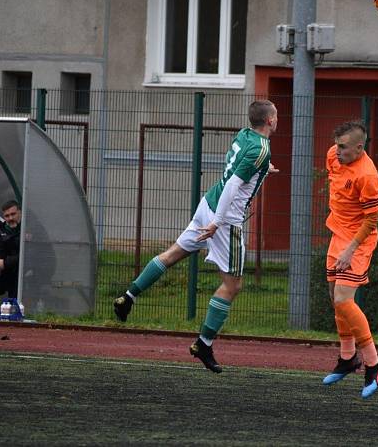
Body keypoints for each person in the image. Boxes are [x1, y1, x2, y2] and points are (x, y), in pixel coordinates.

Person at [113, 99, 278, 373]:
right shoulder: (262, 148)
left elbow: (238, 167)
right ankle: (203, 343)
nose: (277, 119)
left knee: (173, 253)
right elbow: (235, 184)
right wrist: (217, 223)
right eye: (276, 116)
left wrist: (262, 172)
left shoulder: (244, 135)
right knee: (233, 285)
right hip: (225, 220)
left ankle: (128, 297)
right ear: (270, 121)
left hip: (207, 204)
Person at [321, 120, 378, 399]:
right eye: (337, 144)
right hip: (338, 235)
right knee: (333, 297)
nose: (337, 151)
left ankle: (374, 363)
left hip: (358, 242)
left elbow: (371, 220)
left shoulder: (368, 175)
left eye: (344, 147)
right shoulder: (333, 155)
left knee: (344, 299)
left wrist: (350, 249)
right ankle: (348, 358)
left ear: (360, 148)